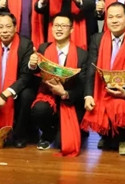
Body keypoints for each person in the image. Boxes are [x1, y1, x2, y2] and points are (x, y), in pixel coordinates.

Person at [81, 2, 125, 156]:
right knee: (96, 103)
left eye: (118, 17)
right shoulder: (97, 39)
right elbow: (91, 68)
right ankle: (106, 135)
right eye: (110, 17)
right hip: (102, 87)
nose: (114, 20)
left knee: (121, 105)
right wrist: (88, 95)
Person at [29, 13, 88, 155]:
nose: (59, 29)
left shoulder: (82, 54)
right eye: (56, 25)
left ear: (71, 29)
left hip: (70, 100)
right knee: (39, 109)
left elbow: (83, 85)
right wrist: (32, 65)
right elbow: (36, 72)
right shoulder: (43, 48)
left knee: (64, 143)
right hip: (48, 96)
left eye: (63, 26)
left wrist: (65, 93)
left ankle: (62, 131)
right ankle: (48, 133)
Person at [0, 12, 37, 147]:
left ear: (15, 28)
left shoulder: (25, 44)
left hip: (17, 90)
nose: (4, 31)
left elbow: (25, 77)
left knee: (26, 96)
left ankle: (20, 135)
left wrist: (5, 95)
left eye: (8, 27)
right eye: (1, 27)